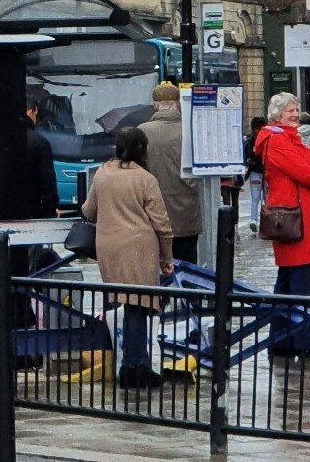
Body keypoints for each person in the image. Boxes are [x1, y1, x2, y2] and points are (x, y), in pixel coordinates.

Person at [82, 126, 173, 389]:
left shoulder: (102, 173)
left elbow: (89, 210)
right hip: (139, 247)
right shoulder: (145, 178)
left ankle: (124, 361)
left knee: (121, 300)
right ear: (142, 148)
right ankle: (135, 367)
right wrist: (167, 256)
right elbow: (161, 223)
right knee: (138, 305)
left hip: (108, 247)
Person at [253, 92, 310, 360]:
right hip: (296, 220)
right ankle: (304, 342)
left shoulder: (281, 138)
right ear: (277, 115)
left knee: (287, 282)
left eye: (296, 110)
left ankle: (282, 339)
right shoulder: (279, 141)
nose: (295, 114)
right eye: (289, 111)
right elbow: (309, 172)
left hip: (292, 217)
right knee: (299, 283)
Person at [139, 81, 201, 263]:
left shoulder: (142, 132)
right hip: (187, 210)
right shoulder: (190, 129)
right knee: (188, 268)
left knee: (158, 266)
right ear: (178, 103)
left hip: (153, 211)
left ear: (155, 104)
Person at [24, 90, 58, 217]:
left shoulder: (0, 140)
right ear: (31, 111)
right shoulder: (39, 142)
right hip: (32, 211)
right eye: (36, 113)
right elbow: (48, 183)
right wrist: (50, 211)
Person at [244, 116, 264, 234]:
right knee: (266, 198)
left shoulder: (249, 139)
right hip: (266, 172)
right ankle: (266, 221)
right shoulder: (267, 138)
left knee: (255, 198)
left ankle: (253, 219)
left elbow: (246, 157)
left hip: (254, 172)